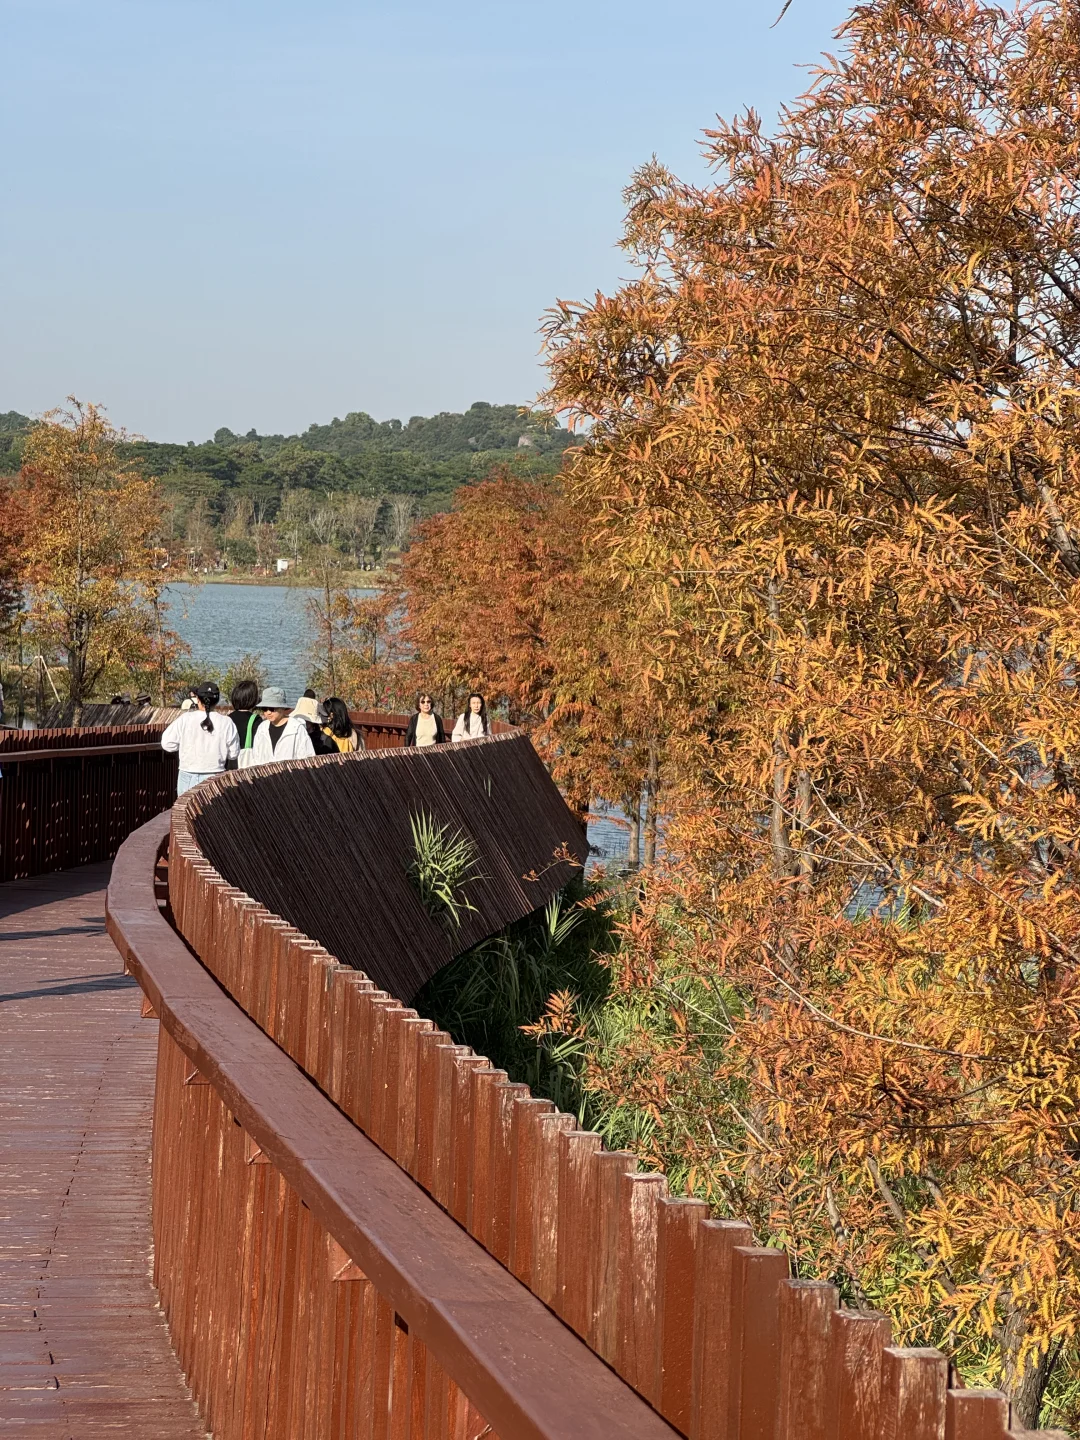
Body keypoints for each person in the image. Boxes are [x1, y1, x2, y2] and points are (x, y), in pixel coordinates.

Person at [160, 681, 239, 794]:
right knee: (211, 810)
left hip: (187, 773)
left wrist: (183, 747)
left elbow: (167, 743)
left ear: (197, 698)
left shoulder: (185, 719)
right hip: (215, 775)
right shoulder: (226, 722)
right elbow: (233, 754)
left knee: (185, 811)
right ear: (217, 700)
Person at [248, 686, 316, 765]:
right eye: (264, 709)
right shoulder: (262, 728)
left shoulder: (297, 728)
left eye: (272, 708)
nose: (268, 712)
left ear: (282, 708)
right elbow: (256, 757)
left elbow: (308, 758)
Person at [228, 678, 263, 769]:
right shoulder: (256, 720)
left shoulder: (227, 719)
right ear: (253, 699)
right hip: (246, 765)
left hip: (228, 765)